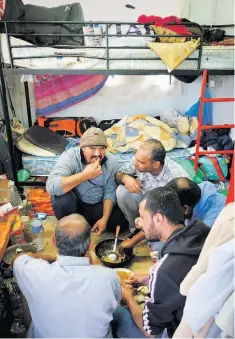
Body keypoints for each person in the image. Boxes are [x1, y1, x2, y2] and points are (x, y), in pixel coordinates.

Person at [112, 187, 210, 338]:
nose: (138, 223)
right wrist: (147, 278)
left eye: (142, 217)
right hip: (206, 318)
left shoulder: (164, 271)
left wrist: (129, 299)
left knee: (118, 315)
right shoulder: (202, 229)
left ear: (158, 219)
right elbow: (180, 274)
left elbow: (150, 330)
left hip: (184, 331)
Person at [13, 214, 121, 338]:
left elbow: (19, 259)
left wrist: (54, 258)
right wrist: (94, 265)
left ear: (53, 241)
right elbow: (114, 305)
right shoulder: (109, 278)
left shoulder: (35, 272)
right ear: (90, 245)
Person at [46, 127, 127, 235]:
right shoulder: (70, 157)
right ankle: (69, 228)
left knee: (119, 222)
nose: (98, 153)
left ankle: (90, 224)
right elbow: (51, 186)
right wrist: (85, 175)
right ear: (82, 148)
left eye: (102, 148)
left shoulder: (111, 161)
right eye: (92, 148)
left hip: (98, 205)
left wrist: (104, 219)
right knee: (61, 199)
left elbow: (110, 191)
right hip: (76, 205)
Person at [119, 177, 226, 255]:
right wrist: (133, 241)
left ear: (184, 209)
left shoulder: (210, 226)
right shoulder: (195, 192)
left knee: (160, 248)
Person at [116, 139, 189, 231]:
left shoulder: (176, 178)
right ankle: (134, 227)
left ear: (155, 164)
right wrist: (125, 178)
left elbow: (176, 212)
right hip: (145, 198)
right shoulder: (139, 160)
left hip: (163, 210)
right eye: (136, 159)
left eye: (141, 163)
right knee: (121, 191)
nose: (135, 164)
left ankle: (148, 231)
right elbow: (118, 174)